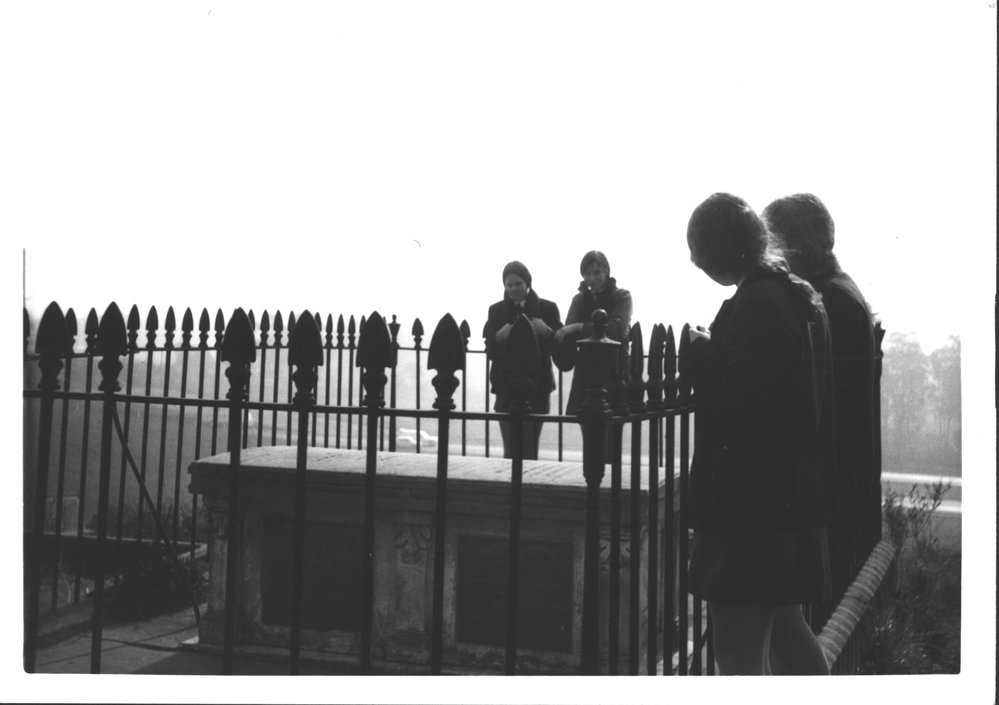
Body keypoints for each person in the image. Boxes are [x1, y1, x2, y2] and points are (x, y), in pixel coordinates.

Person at [684, 192, 835, 675]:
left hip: (748, 517)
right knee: (790, 639)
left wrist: (700, 360)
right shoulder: (790, 292)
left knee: (738, 660)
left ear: (722, 252)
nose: (696, 263)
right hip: (779, 510)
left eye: (700, 253)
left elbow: (741, 410)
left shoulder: (759, 305)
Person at [762, 193, 880, 592]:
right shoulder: (839, 293)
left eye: (775, 245)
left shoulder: (832, 300)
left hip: (834, 489)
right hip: (842, 484)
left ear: (797, 245)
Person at [483, 261, 563, 459]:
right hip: (505, 386)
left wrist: (548, 332)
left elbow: (559, 348)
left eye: (518, 284)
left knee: (529, 447)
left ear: (528, 284)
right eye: (508, 285)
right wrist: (499, 336)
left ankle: (527, 487)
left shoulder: (548, 309)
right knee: (510, 448)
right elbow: (491, 351)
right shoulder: (496, 311)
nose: (513, 289)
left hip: (538, 385)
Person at [552, 251, 633, 415]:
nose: (592, 278)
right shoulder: (579, 300)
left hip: (615, 372)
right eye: (587, 274)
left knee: (613, 432)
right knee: (587, 429)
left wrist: (579, 327)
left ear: (606, 271)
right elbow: (568, 336)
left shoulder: (622, 296)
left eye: (596, 272)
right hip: (586, 373)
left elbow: (613, 331)